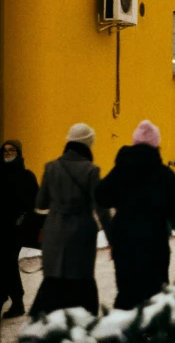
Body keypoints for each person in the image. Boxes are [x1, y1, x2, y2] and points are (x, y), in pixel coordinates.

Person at [96, 120, 175, 310]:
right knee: (155, 296)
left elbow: (101, 196)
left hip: (124, 243)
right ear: (156, 145)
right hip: (155, 243)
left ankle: (124, 333)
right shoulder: (165, 175)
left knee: (127, 293)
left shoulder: (120, 170)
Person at [30, 123, 112, 317]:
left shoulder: (51, 167)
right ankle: (81, 324)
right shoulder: (92, 170)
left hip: (54, 229)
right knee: (80, 280)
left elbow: (40, 203)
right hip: (81, 231)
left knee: (54, 279)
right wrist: (113, 240)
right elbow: (101, 209)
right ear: (88, 143)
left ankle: (48, 325)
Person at [0, 140, 39, 319]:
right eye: (5, 150)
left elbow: (35, 202)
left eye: (12, 150)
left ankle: (16, 301)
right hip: (1, 226)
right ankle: (11, 298)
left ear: (19, 152)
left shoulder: (26, 176)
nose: (8, 153)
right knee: (5, 263)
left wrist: (23, 218)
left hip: (17, 229)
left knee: (7, 262)